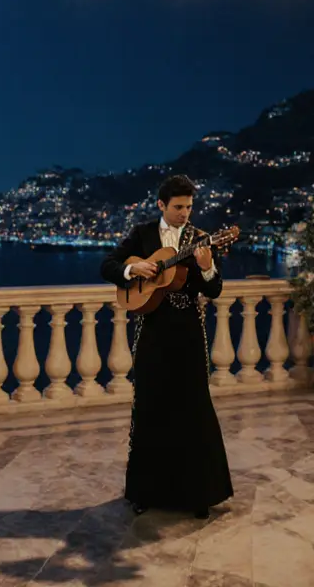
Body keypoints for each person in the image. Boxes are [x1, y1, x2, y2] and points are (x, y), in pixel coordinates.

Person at [100, 174, 233, 519]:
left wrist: (206, 269)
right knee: (150, 407)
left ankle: (198, 495)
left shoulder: (201, 239)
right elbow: (108, 265)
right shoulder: (142, 233)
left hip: (188, 331)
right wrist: (132, 268)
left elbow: (215, 289)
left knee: (193, 409)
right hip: (152, 332)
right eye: (177, 207)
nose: (184, 213)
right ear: (161, 205)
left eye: (189, 207)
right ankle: (145, 492)